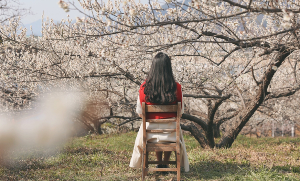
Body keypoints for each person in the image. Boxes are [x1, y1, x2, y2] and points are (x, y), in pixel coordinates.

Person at [129, 52, 189, 172]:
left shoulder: (144, 88)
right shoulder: (176, 87)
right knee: (168, 129)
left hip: (150, 135)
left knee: (152, 127)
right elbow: (180, 112)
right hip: (171, 135)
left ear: (153, 67)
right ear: (168, 68)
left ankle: (160, 163)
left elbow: (140, 113)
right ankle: (165, 163)